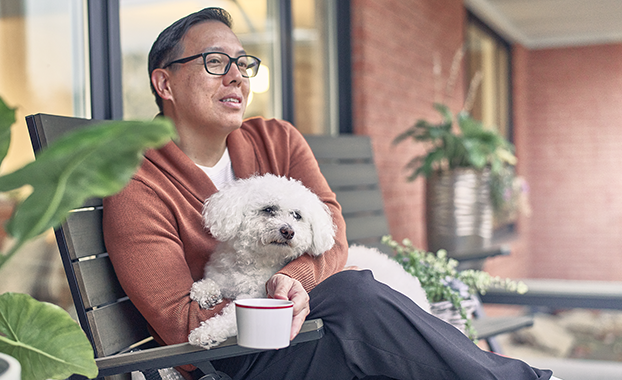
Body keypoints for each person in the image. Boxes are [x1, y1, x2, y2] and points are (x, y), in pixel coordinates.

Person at [103, 7, 557, 380]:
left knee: (363, 319)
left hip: (315, 334)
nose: (237, 77)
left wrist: (299, 279)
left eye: (242, 64)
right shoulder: (138, 184)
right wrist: (285, 299)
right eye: (215, 62)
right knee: (354, 296)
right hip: (233, 362)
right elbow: (183, 326)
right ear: (165, 84)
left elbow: (332, 230)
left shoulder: (276, 139)